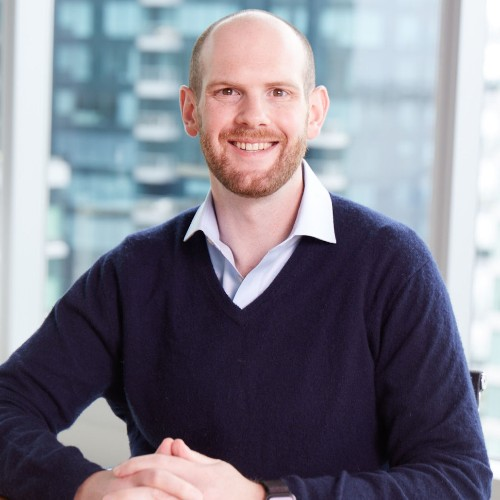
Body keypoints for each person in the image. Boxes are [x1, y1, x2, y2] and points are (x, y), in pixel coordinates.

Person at [0, 9, 493, 500]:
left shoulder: (392, 266)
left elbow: (457, 480)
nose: (253, 116)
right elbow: (8, 407)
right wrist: (91, 486)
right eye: (227, 91)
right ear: (190, 111)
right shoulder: (132, 274)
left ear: (315, 113)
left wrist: (262, 497)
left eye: (278, 92)